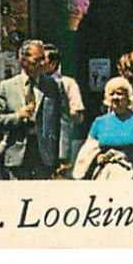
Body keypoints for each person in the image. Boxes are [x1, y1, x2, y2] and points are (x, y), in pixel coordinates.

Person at [0, 39, 65, 179]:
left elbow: (63, 121)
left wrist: (62, 156)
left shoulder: (53, 86)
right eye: (37, 59)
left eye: (43, 59)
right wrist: (17, 116)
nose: (43, 63)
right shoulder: (7, 87)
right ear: (23, 60)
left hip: (44, 155)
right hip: (17, 153)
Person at [80, 78, 133, 179]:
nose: (115, 97)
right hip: (104, 176)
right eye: (111, 94)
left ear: (128, 97)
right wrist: (97, 158)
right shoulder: (99, 122)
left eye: (119, 93)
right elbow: (87, 152)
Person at [43, 45, 86, 177]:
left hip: (63, 143)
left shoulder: (68, 83)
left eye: (42, 60)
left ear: (53, 63)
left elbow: (78, 116)